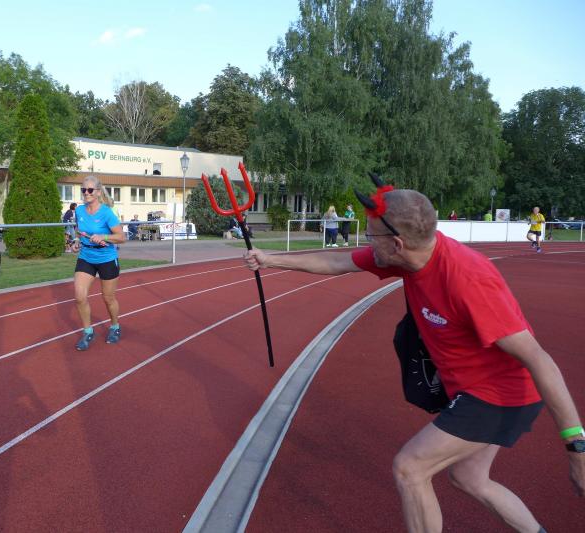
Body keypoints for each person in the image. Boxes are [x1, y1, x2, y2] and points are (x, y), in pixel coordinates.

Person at [244, 186, 584, 532]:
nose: (366, 242)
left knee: (410, 468)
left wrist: (577, 448)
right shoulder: (408, 258)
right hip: (472, 389)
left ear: (397, 244)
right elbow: (337, 261)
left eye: (371, 236)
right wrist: (270, 259)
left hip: (500, 394)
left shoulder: (467, 279)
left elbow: (538, 358)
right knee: (470, 477)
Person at [70, 176, 126, 351]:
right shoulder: (79, 211)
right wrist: (76, 241)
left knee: (108, 298)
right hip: (86, 256)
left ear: (98, 192)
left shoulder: (106, 213)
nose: (86, 193)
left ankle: (115, 326)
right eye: (83, 190)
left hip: (106, 259)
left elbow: (121, 237)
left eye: (90, 190)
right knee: (80, 297)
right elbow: (79, 231)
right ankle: (88, 331)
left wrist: (104, 236)